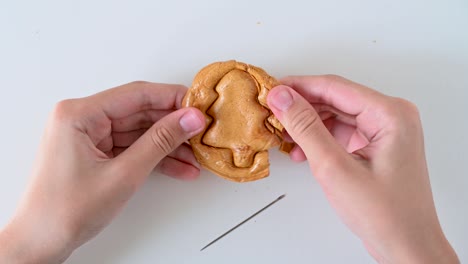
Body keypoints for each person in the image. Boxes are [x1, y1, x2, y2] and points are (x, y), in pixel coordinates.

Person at [0, 75, 459, 263]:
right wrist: (419, 251)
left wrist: (27, 243)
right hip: (225, 139)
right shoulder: (215, 109)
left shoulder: (241, 108)